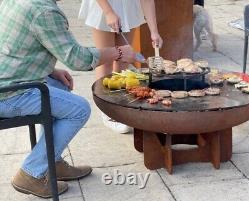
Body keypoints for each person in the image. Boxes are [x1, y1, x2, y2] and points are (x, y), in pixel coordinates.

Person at [0, 0, 139, 198]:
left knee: (60, 85)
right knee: (79, 109)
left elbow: (14, 47)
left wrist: (51, 70)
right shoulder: (44, 12)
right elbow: (77, 59)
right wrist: (118, 52)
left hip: (9, 81)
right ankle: (31, 173)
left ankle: (52, 161)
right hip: (9, 94)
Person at [79, 0, 163, 134]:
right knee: (105, 61)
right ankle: (106, 111)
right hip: (105, 5)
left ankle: (119, 106)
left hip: (128, 6)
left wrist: (154, 31)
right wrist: (108, 12)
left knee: (124, 60)